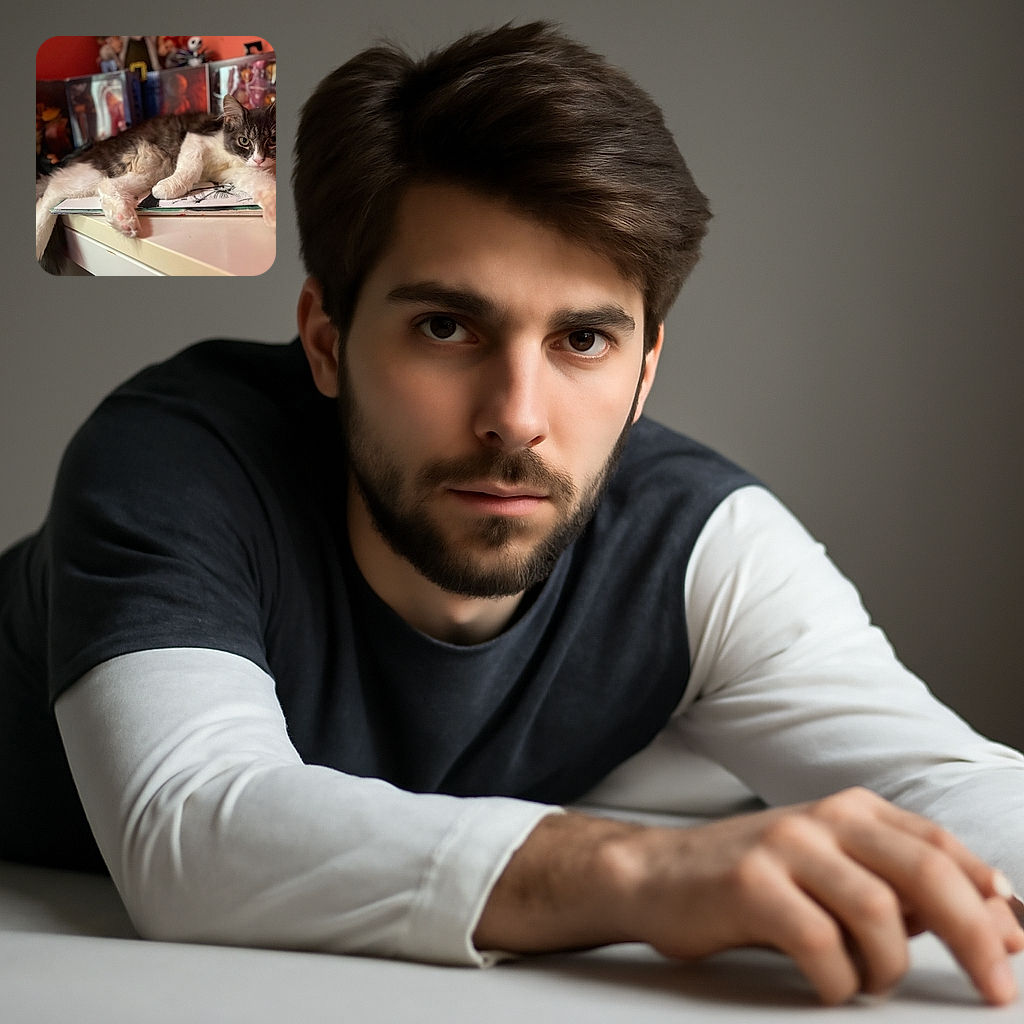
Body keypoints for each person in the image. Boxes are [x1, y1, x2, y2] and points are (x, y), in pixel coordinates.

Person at [2, 21, 1022, 1007]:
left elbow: (949, 786)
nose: (517, 420)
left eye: (582, 339)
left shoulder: (698, 541)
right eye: (446, 326)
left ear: (644, 369)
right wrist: (642, 871)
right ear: (325, 338)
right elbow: (192, 831)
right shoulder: (178, 462)